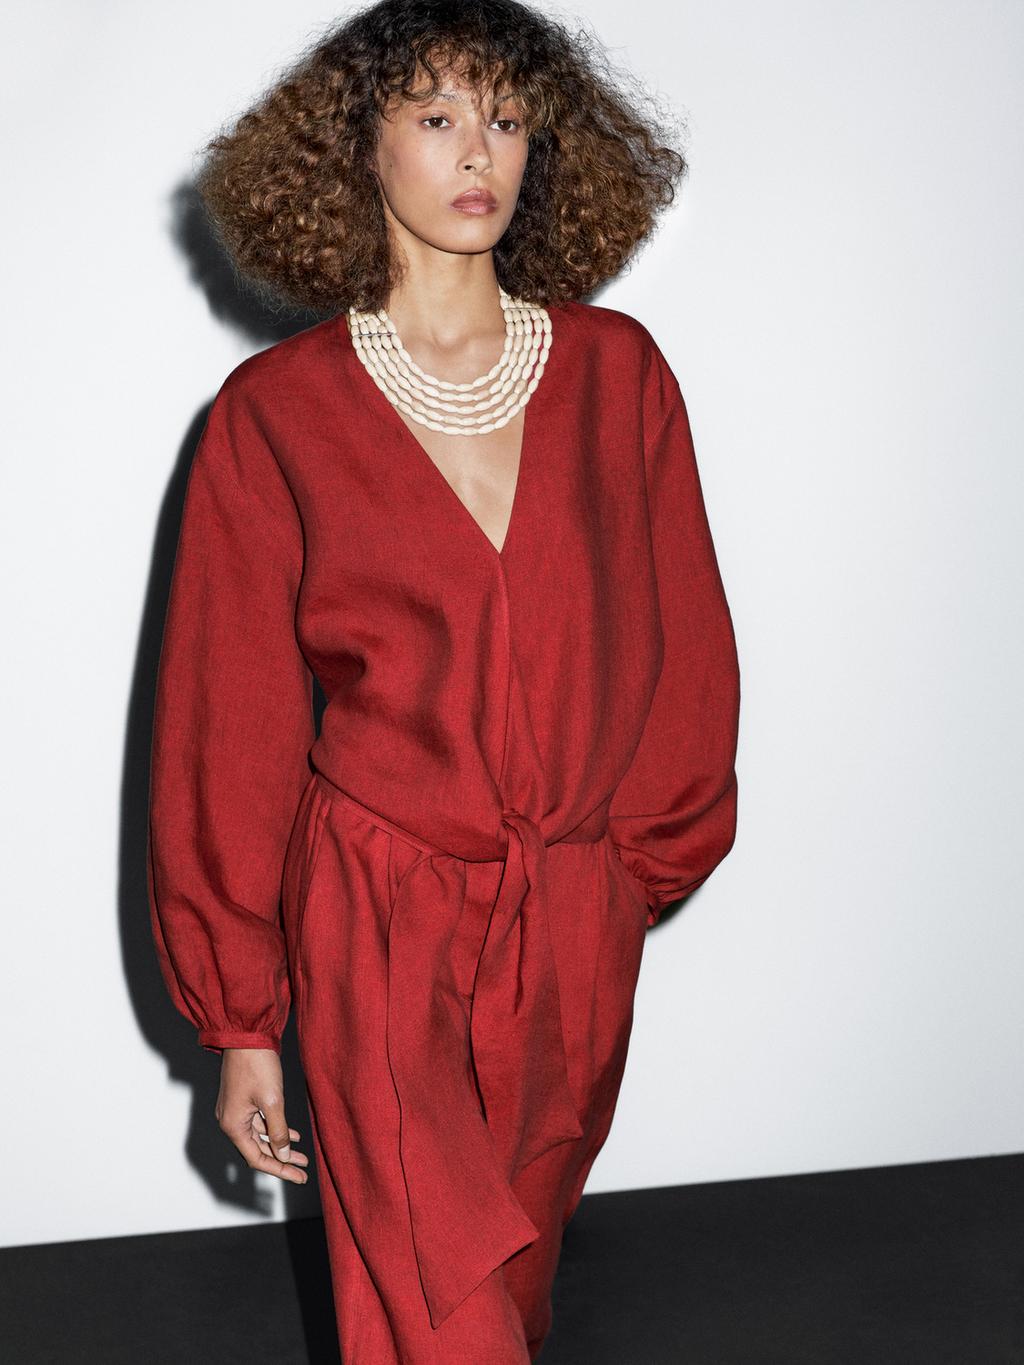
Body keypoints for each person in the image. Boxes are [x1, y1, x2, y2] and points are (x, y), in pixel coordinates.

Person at [146, 0, 741, 1360]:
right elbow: (227, 726)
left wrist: (624, 877)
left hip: (571, 922)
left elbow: (688, 653)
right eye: (436, 116)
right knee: (438, 1315)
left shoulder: (620, 378)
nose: (481, 150)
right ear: (360, 148)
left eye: (508, 117)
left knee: (513, 1283)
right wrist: (243, 1019)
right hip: (376, 917)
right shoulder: (275, 416)